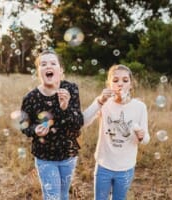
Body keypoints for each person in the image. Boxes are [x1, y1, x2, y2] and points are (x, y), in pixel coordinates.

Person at [20, 49, 84, 200]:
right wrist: (35, 130)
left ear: (61, 70)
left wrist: (65, 107)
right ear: (38, 71)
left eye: (53, 63)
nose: (48, 66)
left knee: (63, 195)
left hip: (68, 154)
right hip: (45, 156)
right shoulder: (30, 98)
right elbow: (24, 126)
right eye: (43, 64)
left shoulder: (70, 89)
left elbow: (78, 124)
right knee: (52, 197)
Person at [83, 64, 150, 200]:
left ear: (131, 84)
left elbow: (146, 138)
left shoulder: (139, 107)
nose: (120, 84)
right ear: (109, 84)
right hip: (103, 166)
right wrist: (100, 101)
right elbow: (83, 121)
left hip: (125, 168)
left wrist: (142, 136)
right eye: (115, 80)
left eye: (125, 80)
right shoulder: (104, 103)